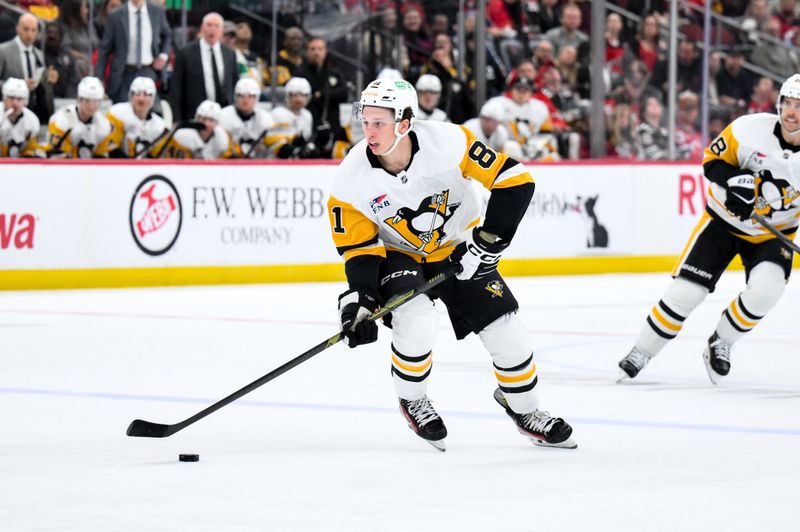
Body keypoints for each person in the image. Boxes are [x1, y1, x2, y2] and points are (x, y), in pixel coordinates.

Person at [327, 78, 576, 451]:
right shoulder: (350, 180)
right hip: (401, 255)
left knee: (509, 335)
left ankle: (524, 409)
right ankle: (413, 399)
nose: (370, 131)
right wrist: (360, 299)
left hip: (460, 247)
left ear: (405, 123)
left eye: (380, 121)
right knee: (415, 319)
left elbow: (515, 181)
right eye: (366, 120)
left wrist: (487, 243)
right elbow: (359, 249)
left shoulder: (449, 141)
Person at [618, 74, 800, 385]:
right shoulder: (748, 129)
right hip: (722, 222)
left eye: (799, 106)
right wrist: (733, 181)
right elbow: (711, 162)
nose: (791, 112)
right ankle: (642, 351)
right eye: (787, 103)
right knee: (686, 293)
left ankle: (722, 342)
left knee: (766, 291)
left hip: (773, 234)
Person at [95, 0, 172, 103]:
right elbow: (105, 49)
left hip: (148, 70)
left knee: (149, 110)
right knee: (122, 111)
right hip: (124, 74)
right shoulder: (116, 15)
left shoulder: (156, 11)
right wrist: (99, 77)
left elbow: (167, 35)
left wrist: (163, 55)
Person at [169, 12, 238, 122]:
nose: (212, 29)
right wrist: (177, 119)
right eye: (209, 25)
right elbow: (176, 89)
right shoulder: (186, 53)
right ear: (202, 28)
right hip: (194, 115)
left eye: (216, 26)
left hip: (224, 115)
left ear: (221, 31)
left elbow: (234, 84)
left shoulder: (230, 54)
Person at [0, 13, 58, 123]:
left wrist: (49, 79)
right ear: (17, 29)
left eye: (33, 30)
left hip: (33, 113)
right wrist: (19, 86)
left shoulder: (39, 54)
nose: (30, 34)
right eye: (26, 29)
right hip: (8, 114)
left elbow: (41, 85)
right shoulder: (3, 51)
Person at [47, 76, 114, 158]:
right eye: (87, 100)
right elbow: (55, 155)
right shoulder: (62, 119)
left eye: (95, 101)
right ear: (79, 99)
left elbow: (101, 158)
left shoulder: (103, 125)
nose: (91, 106)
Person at [107, 76, 169, 158]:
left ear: (153, 99)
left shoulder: (160, 126)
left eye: (146, 94)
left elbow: (157, 158)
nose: (141, 98)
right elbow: (111, 148)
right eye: (137, 93)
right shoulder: (117, 113)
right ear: (131, 96)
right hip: (119, 168)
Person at [219, 77, 275, 158]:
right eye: (241, 96)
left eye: (250, 96)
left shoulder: (265, 118)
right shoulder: (222, 116)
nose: (245, 100)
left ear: (257, 98)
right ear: (235, 97)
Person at [267, 76, 317, 158]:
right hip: (276, 163)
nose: (299, 99)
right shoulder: (277, 113)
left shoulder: (307, 115)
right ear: (288, 96)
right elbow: (273, 143)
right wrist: (294, 150)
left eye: (303, 95)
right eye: (295, 95)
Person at [165, 99, 233, 159]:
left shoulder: (223, 139)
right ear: (197, 118)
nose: (206, 123)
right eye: (203, 119)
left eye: (211, 120)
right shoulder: (181, 135)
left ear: (217, 123)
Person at [0, 78, 43, 157]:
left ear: (25, 101)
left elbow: (31, 150)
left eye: (19, 99)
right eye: (11, 98)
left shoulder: (32, 121)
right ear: (4, 98)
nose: (15, 103)